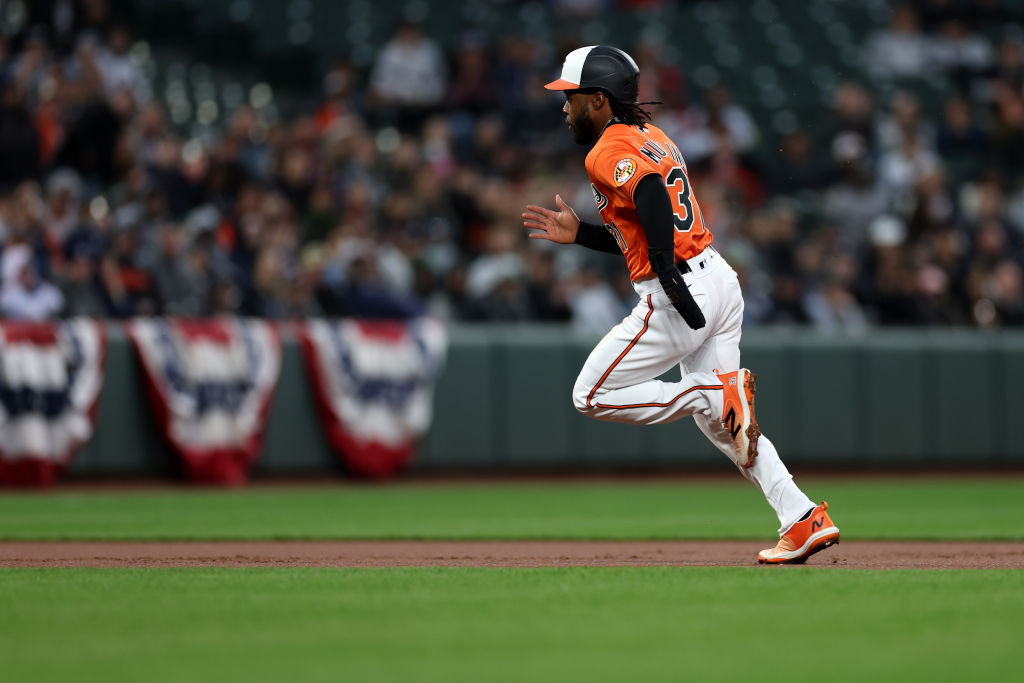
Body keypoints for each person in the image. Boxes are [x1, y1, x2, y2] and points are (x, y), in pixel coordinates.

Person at [523, 45, 839, 564]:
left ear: (599, 101)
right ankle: (802, 517)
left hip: (680, 291)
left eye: (571, 96)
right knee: (729, 426)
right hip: (717, 276)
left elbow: (649, 195)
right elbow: (642, 229)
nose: (564, 107)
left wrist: (670, 279)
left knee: (591, 395)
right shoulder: (653, 136)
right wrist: (582, 234)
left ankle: (706, 392)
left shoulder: (605, 149)